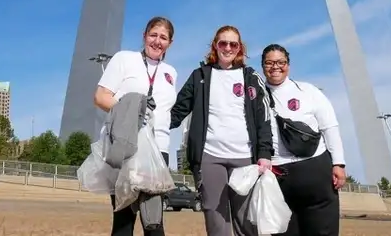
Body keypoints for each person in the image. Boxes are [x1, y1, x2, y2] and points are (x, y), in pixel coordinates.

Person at [170, 25, 274, 236]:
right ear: (215, 46)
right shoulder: (200, 75)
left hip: (245, 158)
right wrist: (147, 121)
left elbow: (263, 118)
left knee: (247, 220)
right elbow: (178, 110)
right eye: (223, 43)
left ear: (240, 48)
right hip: (211, 157)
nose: (228, 48)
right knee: (216, 220)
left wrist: (264, 154)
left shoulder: (251, 77)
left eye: (233, 44)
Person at [94, 16, 179, 236]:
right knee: (123, 221)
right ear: (144, 36)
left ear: (169, 42)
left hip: (157, 150)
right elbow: (101, 97)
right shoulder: (124, 59)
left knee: (154, 222)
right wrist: (133, 111)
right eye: (153, 35)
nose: (157, 41)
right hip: (126, 146)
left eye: (163, 37)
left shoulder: (171, 73)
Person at [260, 44, 345, 236]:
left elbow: (329, 126)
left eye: (281, 62)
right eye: (269, 63)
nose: (275, 67)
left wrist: (338, 163)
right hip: (277, 174)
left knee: (322, 230)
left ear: (288, 65)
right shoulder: (256, 96)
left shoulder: (308, 91)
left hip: (314, 169)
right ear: (263, 66)